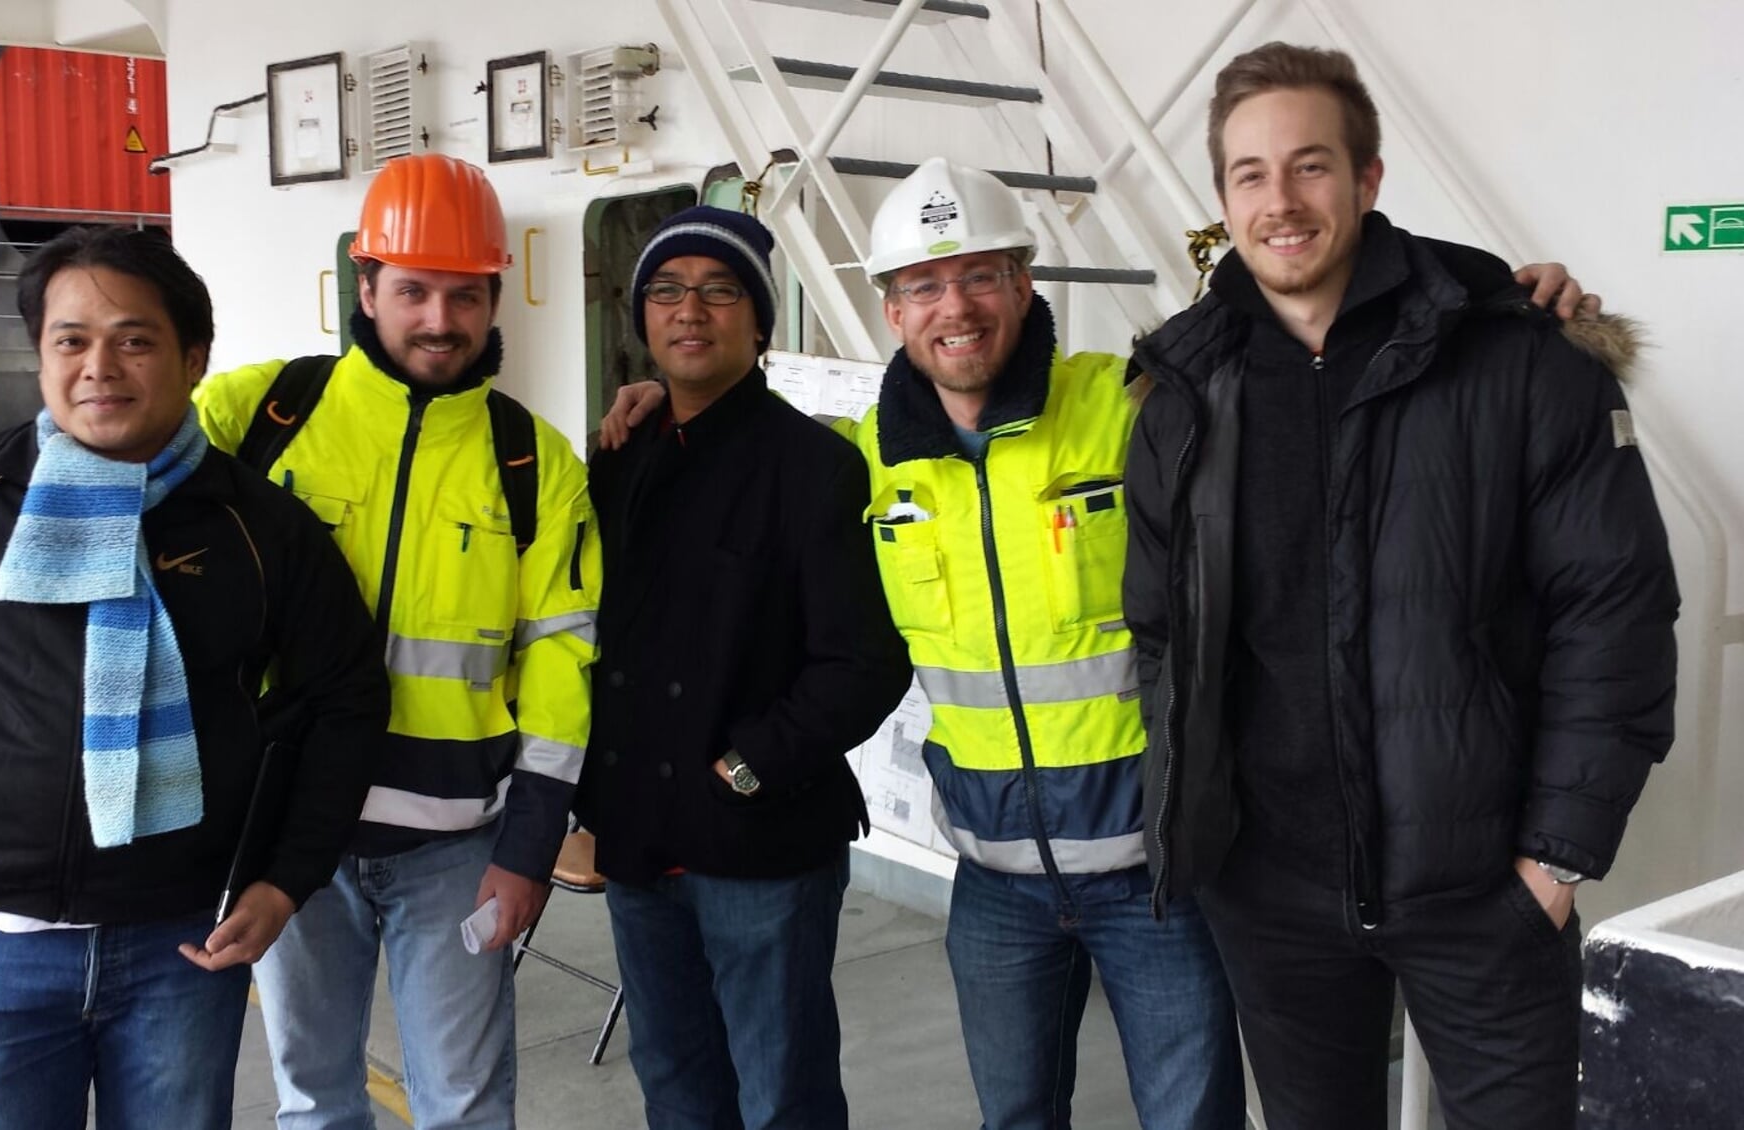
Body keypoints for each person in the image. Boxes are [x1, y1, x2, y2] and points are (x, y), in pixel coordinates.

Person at [600, 162, 1597, 1130]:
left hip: (1149, 875)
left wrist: (1479, 305)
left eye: (981, 274)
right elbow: (742, 444)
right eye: (924, 285)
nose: (957, 305)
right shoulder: (861, 460)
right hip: (992, 882)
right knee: (1017, 1114)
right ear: (893, 310)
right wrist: (656, 405)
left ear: (1024, 284)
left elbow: (1304, 367)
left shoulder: (1129, 405)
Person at [0, 153, 603, 1130]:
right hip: (281, 831)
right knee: (314, 1097)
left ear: (495, 296)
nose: (438, 318)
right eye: (413, 288)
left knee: (464, 1102)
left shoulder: (532, 461)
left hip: (450, 847)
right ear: (365, 285)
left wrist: (531, 838)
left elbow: (562, 656)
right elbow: (100, 431)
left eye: (465, 295)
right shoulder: (266, 408)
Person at [1122, 43, 1678, 1130]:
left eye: (1310, 165)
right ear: (1222, 195)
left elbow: (1611, 609)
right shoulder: (1183, 389)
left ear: (1368, 179)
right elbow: (1160, 631)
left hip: (1485, 891)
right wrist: (1204, 832)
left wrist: (1555, 857)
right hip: (1270, 894)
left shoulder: (1518, 357)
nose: (1279, 201)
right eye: (1248, 173)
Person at [0, 224, 388, 1130]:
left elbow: (345, 699)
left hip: (179, 941)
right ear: (42, 354)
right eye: (72, 340)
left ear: (193, 358)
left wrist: (287, 878)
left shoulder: (261, 527)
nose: (100, 365)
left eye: (134, 339)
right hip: (0, 945)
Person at [577, 205, 911, 1129]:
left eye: (721, 291)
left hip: (759, 848)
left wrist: (749, 764)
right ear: (643, 317)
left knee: (783, 1095)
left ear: (759, 322)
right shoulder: (619, 455)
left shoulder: (813, 466)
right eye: (669, 291)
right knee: (676, 1084)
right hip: (641, 841)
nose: (693, 310)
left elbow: (865, 663)